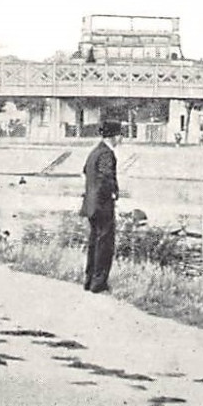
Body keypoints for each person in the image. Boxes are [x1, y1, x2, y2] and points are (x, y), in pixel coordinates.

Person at [80, 119, 121, 292]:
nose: (121, 139)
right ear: (114, 136)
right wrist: (112, 193)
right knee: (105, 243)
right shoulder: (106, 154)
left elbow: (85, 171)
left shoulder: (94, 152)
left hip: (91, 204)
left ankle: (89, 281)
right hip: (103, 205)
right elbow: (106, 176)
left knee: (94, 243)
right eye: (120, 135)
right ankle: (99, 283)